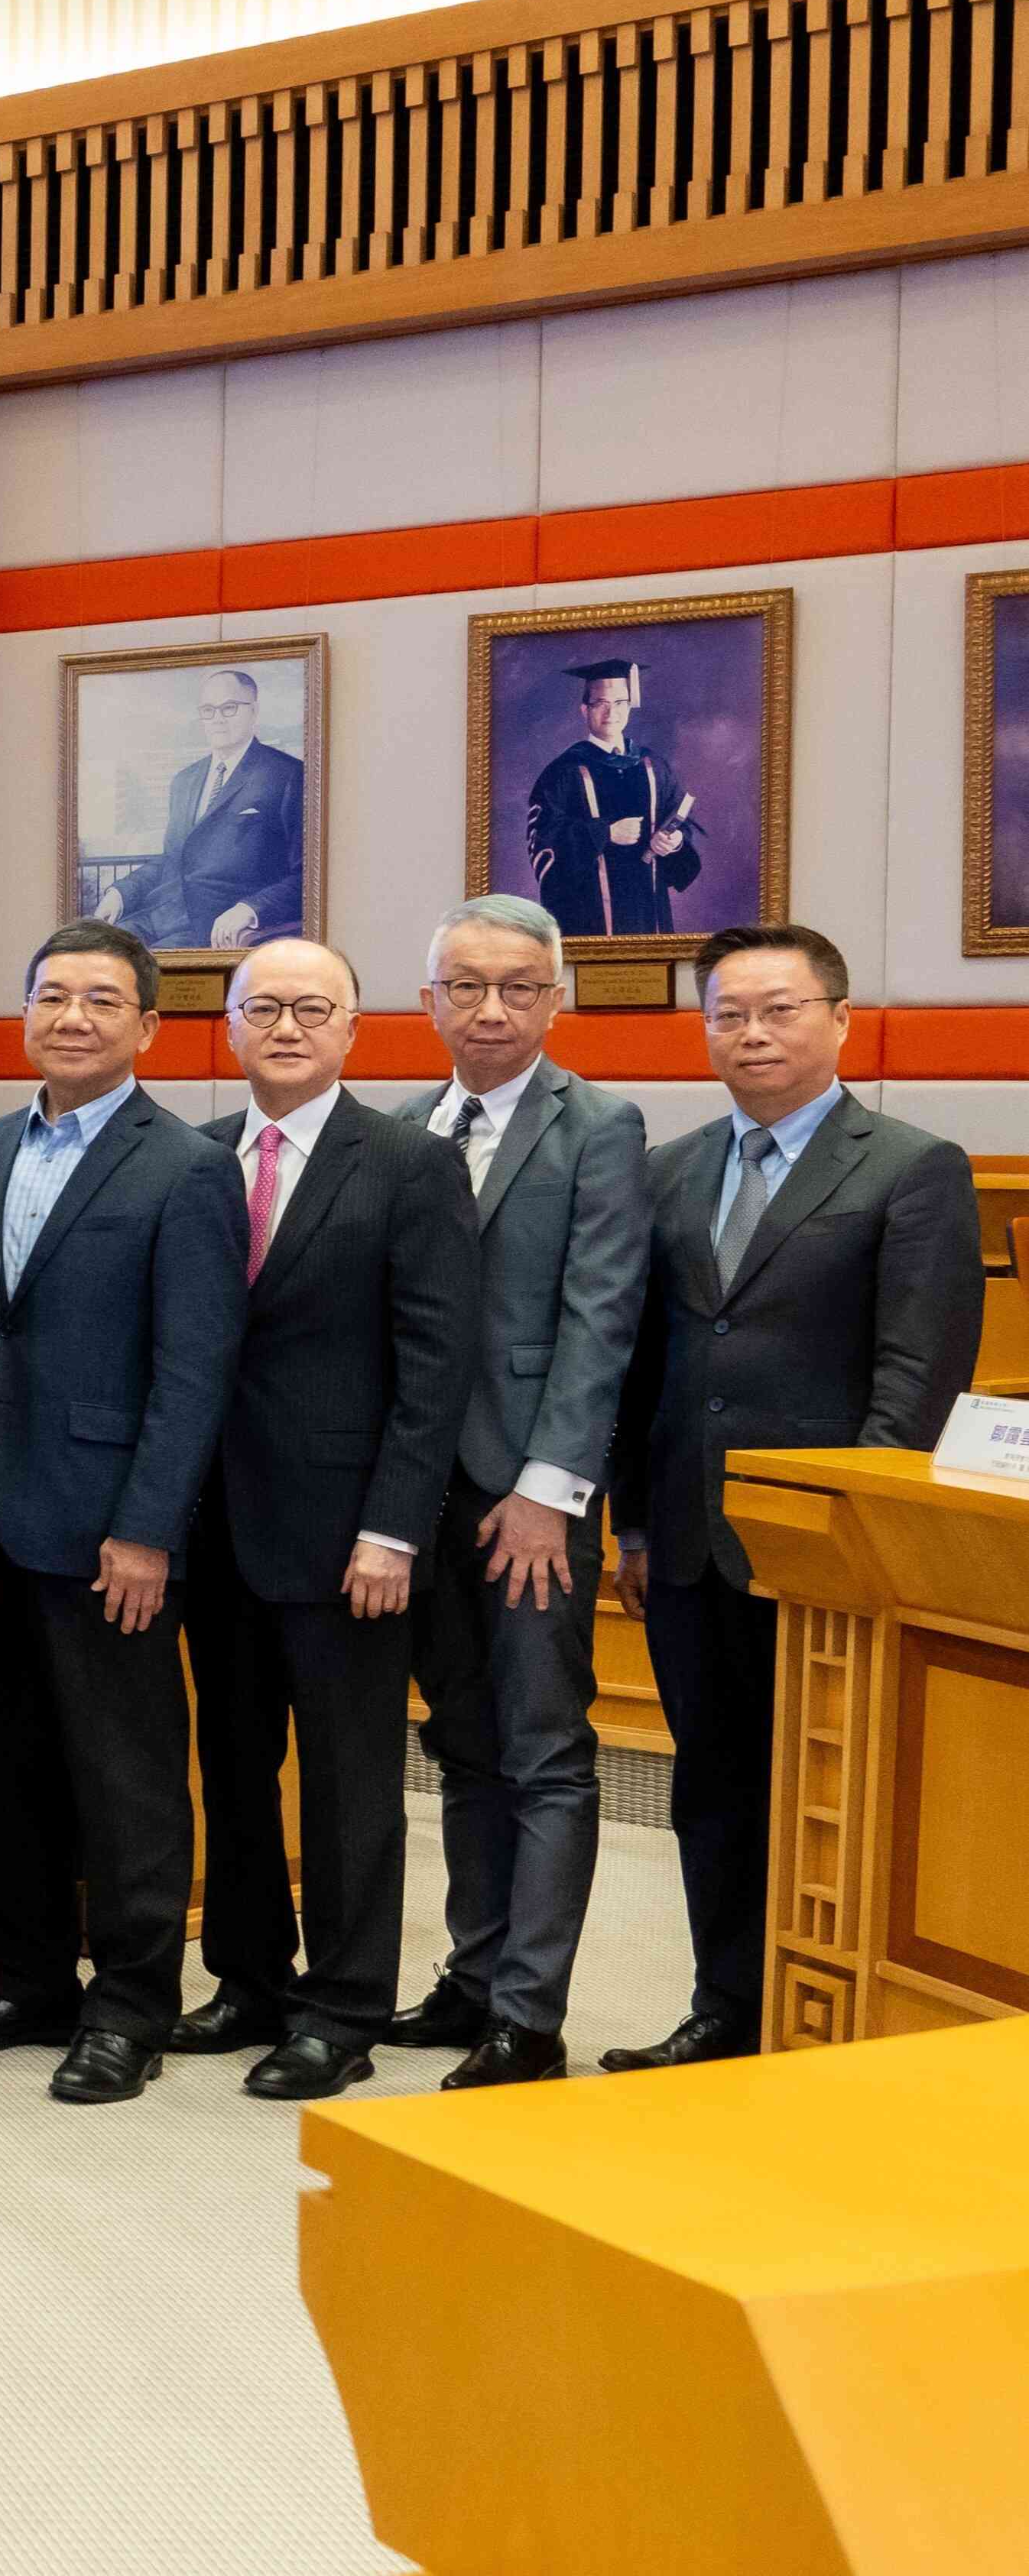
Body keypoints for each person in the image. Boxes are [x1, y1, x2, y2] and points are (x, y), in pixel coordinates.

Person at [607, 922, 979, 2069]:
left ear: (836, 1018)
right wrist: (627, 1516)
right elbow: (636, 1366)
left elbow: (915, 1374)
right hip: (679, 1539)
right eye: (728, 1013)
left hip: (819, 1545)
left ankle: (825, 2024)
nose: (751, 1033)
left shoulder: (909, 1165)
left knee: (828, 1791)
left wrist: (854, 1528)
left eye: (776, 1009)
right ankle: (723, 2007)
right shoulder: (667, 1170)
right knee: (709, 1791)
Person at [0, 922, 247, 2105]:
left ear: (145, 1027)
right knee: (3, 1764)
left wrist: (148, 1529)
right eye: (51, 995)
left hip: (110, 1530)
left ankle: (129, 2005)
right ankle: (29, 1980)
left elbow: (193, 1370)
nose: (71, 1017)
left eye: (99, 1001)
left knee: (125, 1780)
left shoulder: (182, 1166)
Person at [174, 937, 480, 2101]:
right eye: (265, 1008)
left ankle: (343, 2007)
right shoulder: (197, 1157)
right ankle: (247, 1976)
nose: (287, 1027)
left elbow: (434, 1363)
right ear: (232, 1025)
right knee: (234, 1764)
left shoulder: (406, 1164)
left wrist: (394, 1528)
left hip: (349, 1532)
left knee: (351, 1781)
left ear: (355, 1031)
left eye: (314, 1009)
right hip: (212, 1525)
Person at [382, 896, 648, 2089]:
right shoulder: (399, 1128)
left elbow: (600, 1317)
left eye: (517, 988)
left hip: (528, 1499)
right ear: (428, 999)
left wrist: (549, 1490)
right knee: (461, 1740)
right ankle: (472, 1974)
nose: (490, 1010)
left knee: (542, 1748)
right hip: (418, 1496)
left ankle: (527, 2018)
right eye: (465, 986)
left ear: (556, 999)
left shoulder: (599, 1125)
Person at [95, 666, 306, 951]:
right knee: (92, 951)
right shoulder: (185, 780)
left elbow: (305, 876)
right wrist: (120, 893)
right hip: (160, 915)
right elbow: (172, 859)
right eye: (208, 710)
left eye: (229, 708)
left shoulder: (287, 775)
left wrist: (250, 909)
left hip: (215, 926)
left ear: (253, 712)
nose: (217, 719)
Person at [524, 656, 700, 940]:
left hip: (648, 916)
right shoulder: (563, 772)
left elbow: (681, 825)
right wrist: (604, 833)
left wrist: (674, 842)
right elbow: (543, 842)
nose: (611, 713)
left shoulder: (652, 766)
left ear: (630, 707)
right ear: (584, 710)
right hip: (587, 918)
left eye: (619, 703)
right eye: (600, 704)